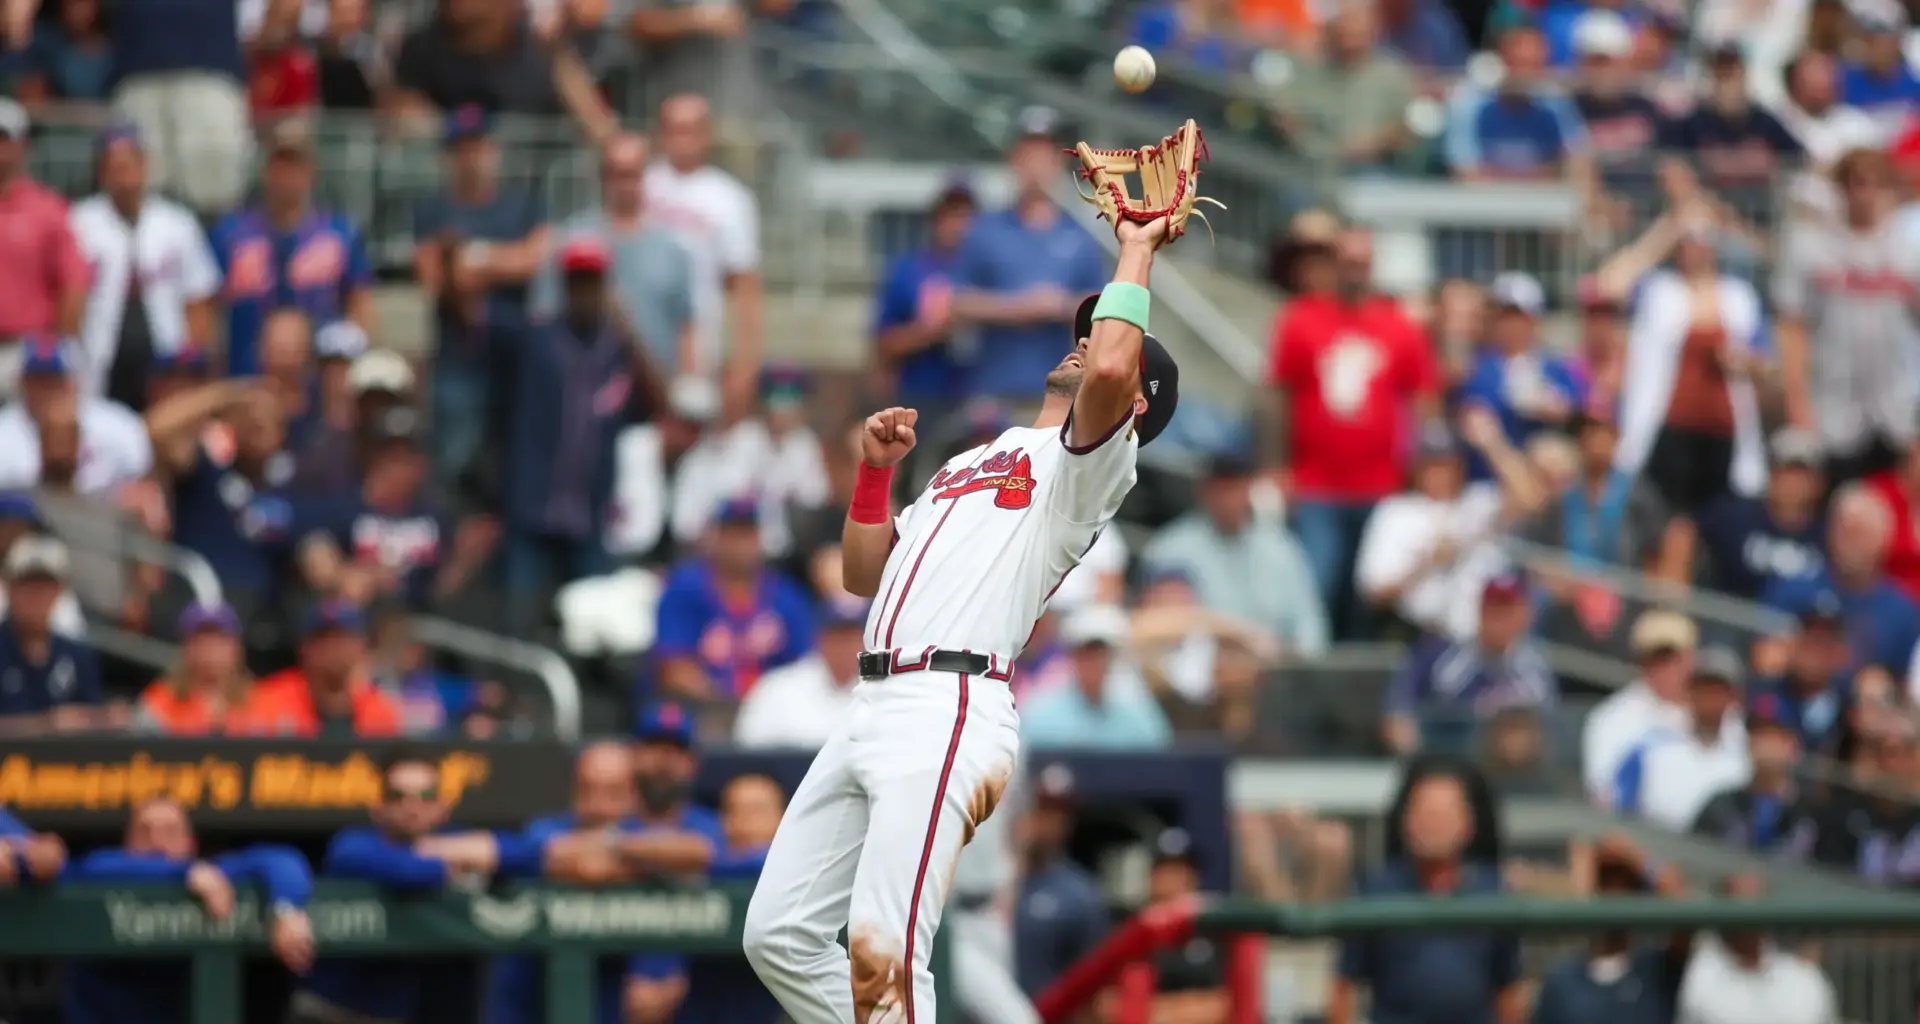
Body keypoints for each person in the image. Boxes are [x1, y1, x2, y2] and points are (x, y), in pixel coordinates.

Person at [744, 211, 1181, 1023]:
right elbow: (862, 574)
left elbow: (1112, 370)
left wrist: (1135, 248)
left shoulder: (1092, 465)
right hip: (872, 699)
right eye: (1084, 330)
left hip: (948, 699)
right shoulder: (977, 455)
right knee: (779, 935)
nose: (1084, 342)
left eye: (1102, 338)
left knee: (886, 951)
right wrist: (874, 477)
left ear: (1133, 398)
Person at [1264, 226, 1438, 636]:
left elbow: (1423, 400)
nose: (1354, 270)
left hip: (1382, 486)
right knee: (1317, 586)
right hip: (1316, 484)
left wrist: (1417, 470)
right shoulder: (1301, 319)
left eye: (1362, 262)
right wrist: (1276, 466)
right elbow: (1276, 397)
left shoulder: (1399, 326)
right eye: (1347, 262)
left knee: (1367, 595)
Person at [292, 749, 546, 1024]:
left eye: (425, 795)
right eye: (397, 796)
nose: (412, 806)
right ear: (378, 806)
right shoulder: (353, 845)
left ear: (444, 806)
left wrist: (446, 849)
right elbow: (409, 872)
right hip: (336, 1012)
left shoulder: (454, 839)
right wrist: (459, 860)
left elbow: (529, 854)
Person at [61, 797, 316, 1024]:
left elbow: (281, 859)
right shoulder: (103, 871)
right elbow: (95, 867)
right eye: (144, 832)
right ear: (126, 843)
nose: (156, 842)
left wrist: (286, 911)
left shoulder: (211, 875)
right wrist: (183, 872)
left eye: (170, 831)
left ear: (191, 843)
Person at [1330, 769, 1522, 1024]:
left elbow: (1508, 992)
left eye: (1443, 815)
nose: (1433, 824)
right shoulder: (1375, 893)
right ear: (1406, 821)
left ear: (1468, 824)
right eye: (1425, 813)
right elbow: (1345, 987)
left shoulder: (1494, 894)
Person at [950, 105, 1110, 400]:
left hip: (1061, 394)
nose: (1036, 166)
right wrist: (1016, 307)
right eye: (1028, 155)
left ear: (1058, 162)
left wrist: (1060, 305)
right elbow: (958, 302)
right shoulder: (985, 231)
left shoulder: (1080, 235)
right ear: (1014, 160)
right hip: (993, 390)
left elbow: (1101, 310)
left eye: (1044, 156)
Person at [70, 122, 222, 412]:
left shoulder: (177, 223)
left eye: (129, 164)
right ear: (101, 173)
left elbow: (199, 300)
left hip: (166, 361)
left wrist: (193, 365)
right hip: (100, 361)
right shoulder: (79, 223)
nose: (123, 174)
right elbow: (69, 302)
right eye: (114, 166)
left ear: (144, 165)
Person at [207, 119, 374, 377]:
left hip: (318, 377)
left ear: (312, 172)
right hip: (246, 374)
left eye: (296, 166)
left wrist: (347, 366)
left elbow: (360, 306)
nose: (287, 177)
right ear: (265, 170)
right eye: (280, 166)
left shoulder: (340, 234)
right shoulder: (230, 235)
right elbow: (208, 311)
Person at [652, 498, 817, 700]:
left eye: (747, 535)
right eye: (732, 535)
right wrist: (726, 702)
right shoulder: (685, 588)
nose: (740, 545)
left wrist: (766, 703)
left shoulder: (786, 595)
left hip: (772, 707)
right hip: (705, 706)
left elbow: (804, 668)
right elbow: (674, 669)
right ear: (716, 537)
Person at [1529, 836, 1688, 1024]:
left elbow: (1684, 908)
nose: (1615, 895)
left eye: (1626, 887)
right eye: (1606, 884)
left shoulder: (1657, 970)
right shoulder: (1561, 982)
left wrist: (1638, 859)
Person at [1611, 646, 1752, 830]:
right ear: (1689, 691)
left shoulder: (1746, 757)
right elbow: (1618, 810)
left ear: (1733, 698)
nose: (1710, 698)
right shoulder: (1652, 748)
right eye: (1703, 688)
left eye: (1718, 691)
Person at [873, 179, 976, 427]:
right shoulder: (910, 270)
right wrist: (929, 331)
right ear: (936, 220)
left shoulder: (987, 271)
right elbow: (884, 342)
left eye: (966, 217)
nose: (958, 225)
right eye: (951, 216)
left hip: (979, 394)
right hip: (922, 394)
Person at [1675, 875, 1838, 1024]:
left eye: (1756, 898)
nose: (1748, 906)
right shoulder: (1702, 969)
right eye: (1739, 899)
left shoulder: (1805, 978)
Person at [1695, 428, 1828, 600]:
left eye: (1801, 476)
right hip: (1733, 611)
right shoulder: (1736, 516)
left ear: (1819, 484)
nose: (1792, 484)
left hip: (1801, 614)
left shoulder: (1830, 535)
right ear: (1770, 476)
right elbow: (1685, 529)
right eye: (1784, 473)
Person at [1013, 764, 1109, 997]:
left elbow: (1091, 985)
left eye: (1059, 814)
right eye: (1042, 810)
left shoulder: (1079, 894)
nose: (1048, 823)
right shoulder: (987, 882)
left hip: (1042, 1011)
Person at [1022, 603, 1174, 750]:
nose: (1094, 663)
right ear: (1073, 657)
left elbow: (1160, 754)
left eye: (1101, 654)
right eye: (1086, 654)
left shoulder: (1138, 711)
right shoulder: (1040, 713)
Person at [249, 600, 405, 736]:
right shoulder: (269, 701)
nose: (333, 648)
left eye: (342, 638)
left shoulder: (379, 710)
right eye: (322, 639)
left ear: (362, 646)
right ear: (304, 647)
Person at [0, 535, 100, 734]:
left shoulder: (77, 654)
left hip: (67, 754)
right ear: (10, 588)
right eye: (27, 585)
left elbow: (95, 719)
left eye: (45, 587)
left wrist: (106, 718)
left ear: (58, 591)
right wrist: (44, 724)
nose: (36, 597)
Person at [733, 601, 866, 748]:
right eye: (837, 638)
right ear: (819, 639)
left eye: (852, 639)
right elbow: (747, 750)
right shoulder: (776, 689)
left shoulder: (880, 689)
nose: (845, 648)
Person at [133, 602, 259, 734]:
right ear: (186, 647)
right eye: (201, 640)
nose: (210, 649)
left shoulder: (262, 702)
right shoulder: (159, 704)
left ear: (237, 647)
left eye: (220, 640)